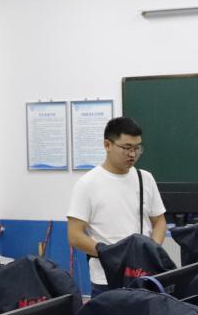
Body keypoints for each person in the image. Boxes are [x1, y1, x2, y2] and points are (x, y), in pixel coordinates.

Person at [67, 117, 167, 297]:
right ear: (107, 145)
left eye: (137, 148)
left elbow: (159, 221)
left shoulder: (145, 178)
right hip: (106, 280)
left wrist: (152, 250)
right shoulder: (87, 184)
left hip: (144, 275)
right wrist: (111, 255)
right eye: (127, 148)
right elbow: (75, 235)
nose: (132, 154)